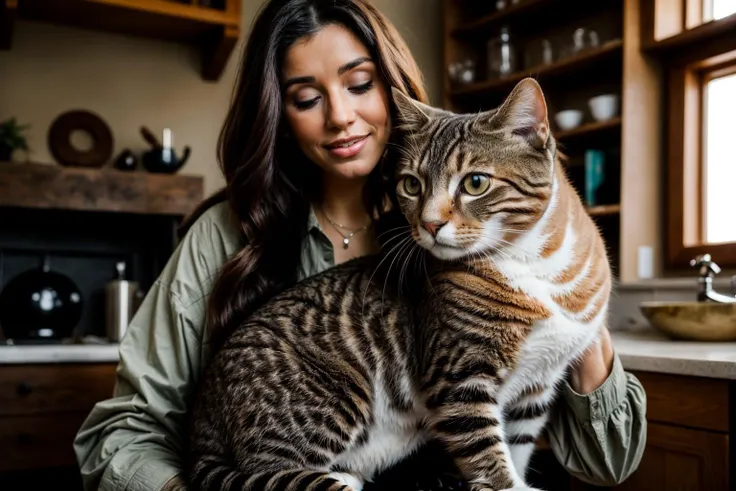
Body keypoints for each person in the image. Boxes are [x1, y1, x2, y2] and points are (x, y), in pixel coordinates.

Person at [73, 1, 647, 490]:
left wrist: (572, 274)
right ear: (281, 114)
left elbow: (608, 462)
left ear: (392, 86)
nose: (341, 117)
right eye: (306, 97)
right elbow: (121, 434)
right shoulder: (224, 234)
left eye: (360, 84)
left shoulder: (481, 228)